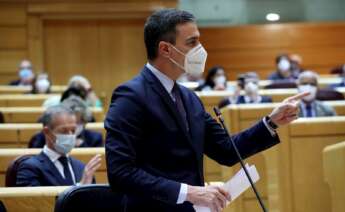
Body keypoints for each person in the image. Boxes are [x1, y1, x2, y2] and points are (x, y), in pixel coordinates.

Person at [105, 9, 307, 212]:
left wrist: (271, 122)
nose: (200, 49)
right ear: (166, 49)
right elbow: (120, 172)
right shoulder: (130, 97)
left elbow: (226, 150)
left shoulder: (189, 98)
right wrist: (189, 193)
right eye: (192, 42)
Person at [16, 105, 102, 186]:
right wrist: (79, 188)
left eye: (73, 130)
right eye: (64, 131)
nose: (70, 135)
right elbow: (32, 201)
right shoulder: (30, 168)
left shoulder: (82, 168)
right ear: (47, 132)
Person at [29, 96, 103, 148]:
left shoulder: (95, 138)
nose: (70, 133)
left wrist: (82, 146)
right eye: (68, 122)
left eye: (78, 122)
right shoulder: (41, 137)